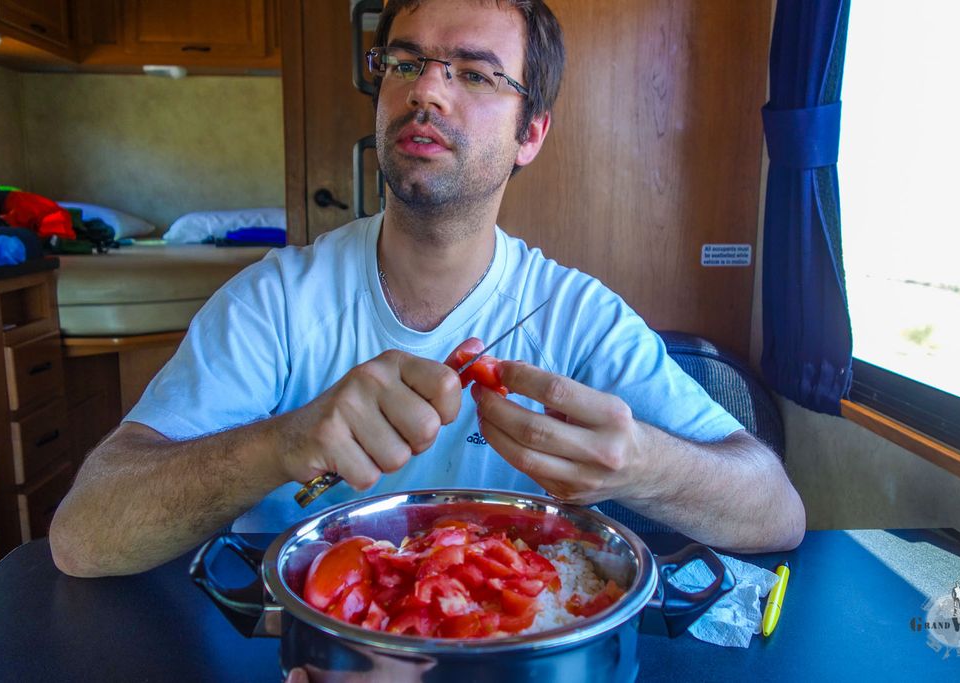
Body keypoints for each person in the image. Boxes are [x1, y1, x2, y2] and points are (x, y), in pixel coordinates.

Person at [49, 0, 805, 577]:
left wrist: (642, 464)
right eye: (406, 64)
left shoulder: (579, 319)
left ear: (531, 134)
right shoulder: (271, 303)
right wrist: (283, 442)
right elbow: (83, 534)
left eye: (473, 73)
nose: (426, 93)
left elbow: (778, 512)